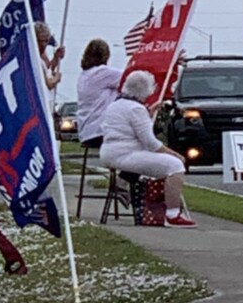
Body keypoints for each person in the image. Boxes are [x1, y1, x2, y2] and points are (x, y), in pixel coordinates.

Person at [100, 70, 195, 228]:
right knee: (174, 166)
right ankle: (172, 214)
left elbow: (132, 128)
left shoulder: (116, 105)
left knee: (161, 163)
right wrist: (175, 155)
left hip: (110, 151)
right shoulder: (136, 109)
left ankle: (122, 182)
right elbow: (150, 142)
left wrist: (149, 113)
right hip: (127, 153)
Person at [76, 39, 122, 149]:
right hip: (100, 131)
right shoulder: (102, 72)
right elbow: (130, 78)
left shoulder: (83, 75)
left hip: (85, 130)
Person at [34, 21, 65, 92]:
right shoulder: (34, 57)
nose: (44, 44)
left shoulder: (43, 53)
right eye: (41, 41)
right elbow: (49, 84)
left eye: (46, 41)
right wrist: (57, 77)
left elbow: (49, 68)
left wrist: (56, 57)